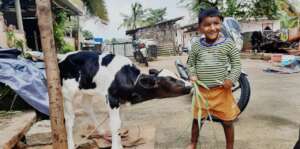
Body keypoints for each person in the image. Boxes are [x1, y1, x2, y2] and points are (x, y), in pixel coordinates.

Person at [186, 8, 241, 149]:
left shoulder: (228, 43)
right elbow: (190, 63)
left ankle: (230, 146)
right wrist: (192, 74)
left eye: (216, 23)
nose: (212, 28)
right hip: (201, 92)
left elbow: (236, 64)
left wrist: (231, 79)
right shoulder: (197, 45)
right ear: (200, 28)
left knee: (228, 122)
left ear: (221, 23)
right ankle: (193, 143)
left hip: (222, 92)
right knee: (197, 120)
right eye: (207, 25)